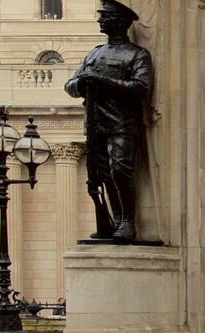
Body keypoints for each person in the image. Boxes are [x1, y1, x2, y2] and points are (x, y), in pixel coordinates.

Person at [66, 0, 154, 243]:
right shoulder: (94, 53)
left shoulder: (136, 55)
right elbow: (70, 86)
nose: (100, 20)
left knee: (120, 170)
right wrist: (82, 83)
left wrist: (102, 82)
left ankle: (127, 220)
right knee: (101, 173)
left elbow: (140, 87)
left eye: (105, 16)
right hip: (95, 122)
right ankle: (113, 221)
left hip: (123, 122)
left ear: (120, 21)